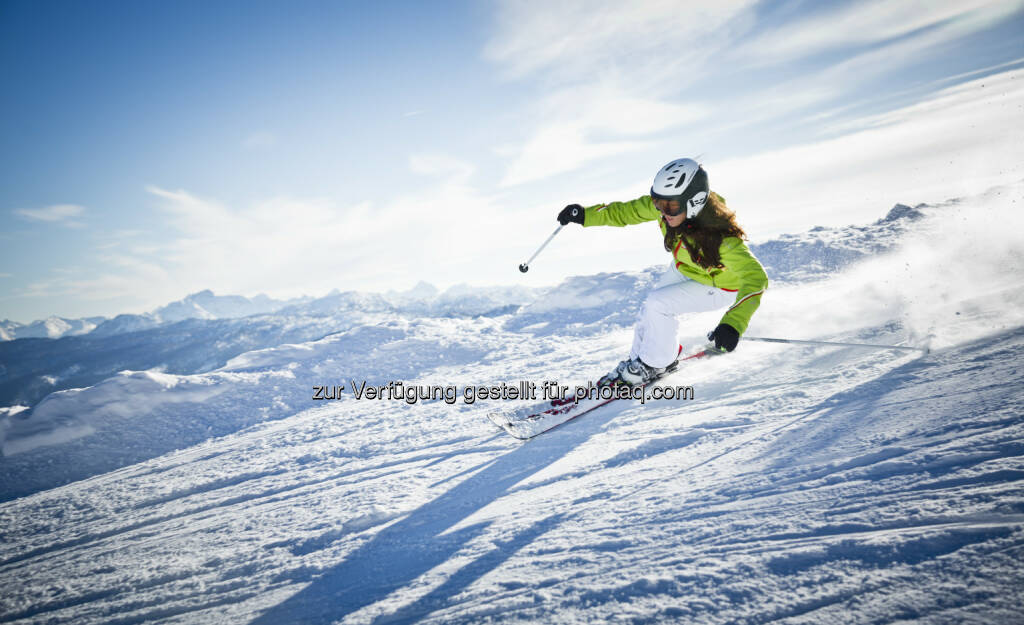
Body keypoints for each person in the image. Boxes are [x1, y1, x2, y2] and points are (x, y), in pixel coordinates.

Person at [557, 157, 768, 386]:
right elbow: (625, 212)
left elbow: (756, 277)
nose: (663, 211)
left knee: (660, 305)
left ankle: (656, 363)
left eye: (671, 206)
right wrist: (586, 215)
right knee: (650, 309)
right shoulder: (668, 208)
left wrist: (733, 323)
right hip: (688, 269)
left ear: (694, 201)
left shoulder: (722, 238)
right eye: (659, 202)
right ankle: (640, 361)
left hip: (721, 286)